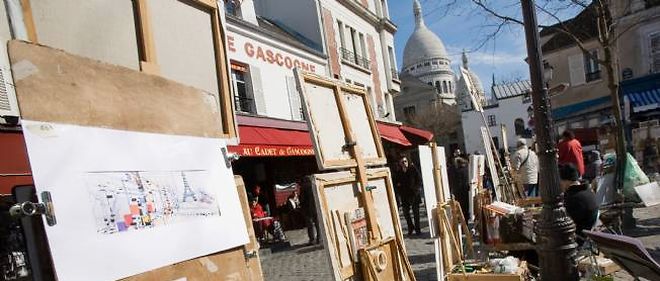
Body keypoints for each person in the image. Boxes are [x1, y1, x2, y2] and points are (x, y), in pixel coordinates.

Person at [559, 163, 598, 245]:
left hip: (577, 238)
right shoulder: (587, 191)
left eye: (561, 181)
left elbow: (566, 222)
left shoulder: (574, 198)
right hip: (587, 232)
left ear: (566, 181)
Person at [394, 155, 422, 235]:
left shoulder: (413, 169)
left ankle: (417, 229)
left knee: (416, 213)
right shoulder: (399, 172)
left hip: (414, 194)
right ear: (400, 163)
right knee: (406, 213)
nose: (404, 163)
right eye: (402, 162)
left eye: (405, 161)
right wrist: (400, 191)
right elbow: (396, 183)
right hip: (405, 195)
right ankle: (411, 226)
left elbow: (419, 180)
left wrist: (416, 189)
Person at [300, 176, 321, 245]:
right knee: (318, 224)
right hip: (315, 208)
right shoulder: (314, 186)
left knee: (310, 225)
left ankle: (312, 239)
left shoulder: (303, 188)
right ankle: (319, 238)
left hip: (307, 209)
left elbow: (302, 199)